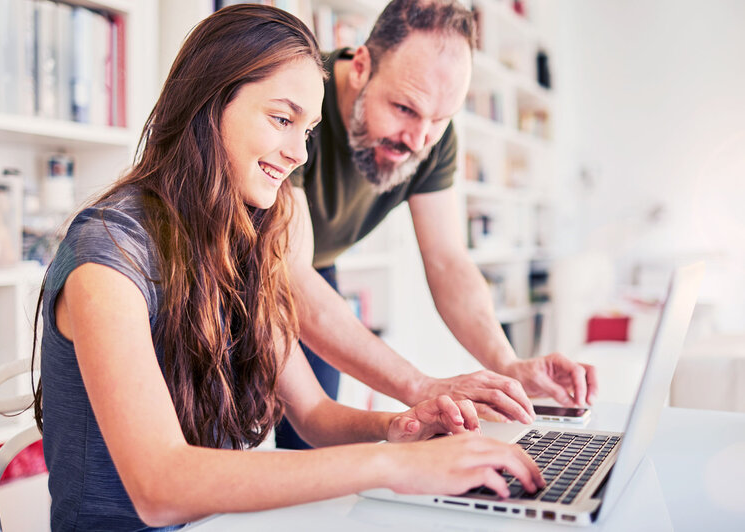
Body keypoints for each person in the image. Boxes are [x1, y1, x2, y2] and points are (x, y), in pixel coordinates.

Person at [30, 5, 543, 530]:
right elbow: (161, 487)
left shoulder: (245, 245)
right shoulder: (109, 255)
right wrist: (395, 464)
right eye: (282, 119)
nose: (300, 152)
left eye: (310, 129)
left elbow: (315, 415)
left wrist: (405, 428)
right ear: (210, 102)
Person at [278, 0, 598, 449]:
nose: (418, 140)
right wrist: (420, 387)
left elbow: (448, 261)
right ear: (362, 65)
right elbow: (288, 277)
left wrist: (506, 363)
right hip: (241, 268)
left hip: (318, 271)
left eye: (440, 119)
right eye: (404, 109)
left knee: (309, 447)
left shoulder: (431, 136)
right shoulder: (303, 100)